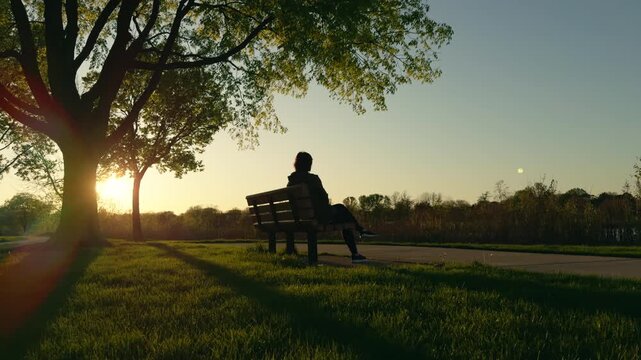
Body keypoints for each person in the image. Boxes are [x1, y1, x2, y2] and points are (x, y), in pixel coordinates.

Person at [287, 151, 376, 263]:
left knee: (343, 213)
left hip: (301, 218)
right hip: (318, 216)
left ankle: (360, 232)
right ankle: (357, 243)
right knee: (343, 212)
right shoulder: (313, 179)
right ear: (308, 164)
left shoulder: (290, 182)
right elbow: (324, 197)